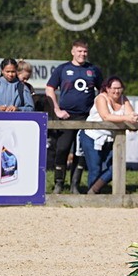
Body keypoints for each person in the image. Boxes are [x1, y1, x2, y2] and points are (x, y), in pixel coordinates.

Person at [46, 40, 103, 194]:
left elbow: (103, 92)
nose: (82, 54)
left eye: (85, 51)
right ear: (72, 51)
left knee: (81, 152)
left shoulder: (94, 70)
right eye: (79, 51)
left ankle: (75, 185)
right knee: (62, 149)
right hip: (66, 117)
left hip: (86, 118)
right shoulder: (63, 69)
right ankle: (59, 184)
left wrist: (100, 112)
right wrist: (57, 110)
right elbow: (49, 89)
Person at [80, 76, 138, 195]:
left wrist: (133, 117)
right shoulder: (100, 98)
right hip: (92, 136)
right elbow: (106, 116)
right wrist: (126, 118)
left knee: (116, 167)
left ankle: (93, 191)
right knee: (95, 169)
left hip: (112, 138)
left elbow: (131, 114)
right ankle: (93, 197)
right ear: (107, 88)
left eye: (119, 88)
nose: (117, 91)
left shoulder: (124, 99)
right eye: (114, 88)